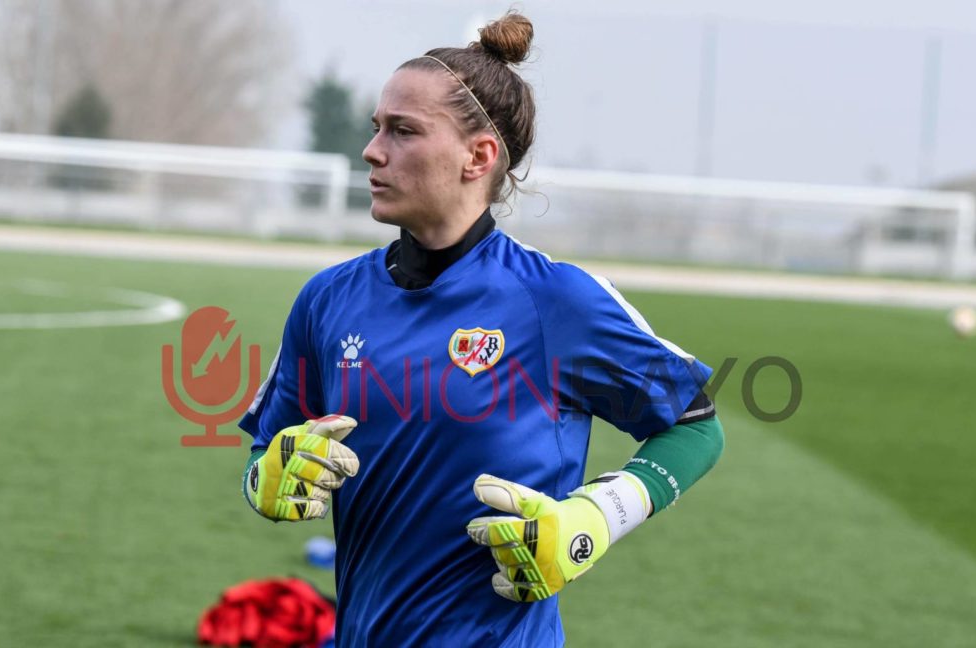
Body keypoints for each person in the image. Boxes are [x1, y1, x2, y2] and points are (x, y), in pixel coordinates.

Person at [239, 12, 724, 647]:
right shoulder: (326, 300)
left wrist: (593, 519)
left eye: (403, 131)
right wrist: (267, 478)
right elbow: (267, 449)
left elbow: (695, 427)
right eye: (376, 127)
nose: (372, 149)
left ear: (478, 155)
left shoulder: (555, 300)